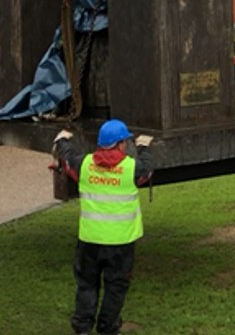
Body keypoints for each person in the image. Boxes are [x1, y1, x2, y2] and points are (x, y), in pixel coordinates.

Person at [54, 120, 155, 335]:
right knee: (115, 287)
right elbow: (147, 168)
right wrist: (144, 146)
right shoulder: (131, 168)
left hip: (89, 240)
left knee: (87, 285)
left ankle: (82, 328)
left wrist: (62, 140)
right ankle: (108, 328)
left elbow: (67, 158)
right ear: (120, 144)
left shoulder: (85, 164)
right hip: (120, 242)